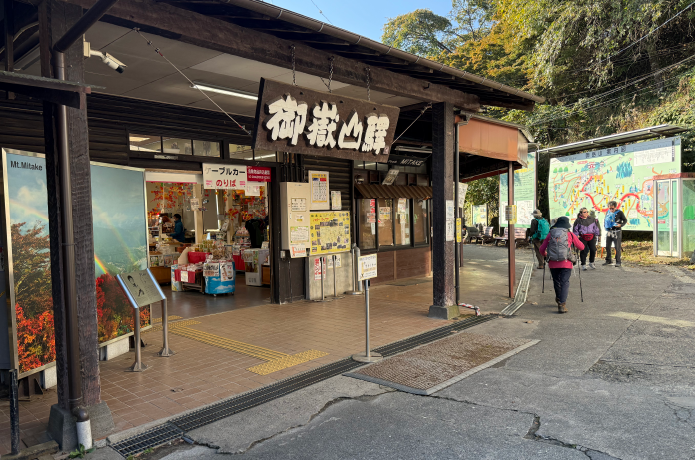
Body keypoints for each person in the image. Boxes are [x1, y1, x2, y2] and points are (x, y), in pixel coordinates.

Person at [540, 216, 585, 313]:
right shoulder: (570, 234)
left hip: (552, 262)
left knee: (556, 281)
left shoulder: (550, 234)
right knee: (565, 282)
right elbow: (581, 247)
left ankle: (558, 298)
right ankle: (562, 304)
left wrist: (545, 255)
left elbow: (541, 249)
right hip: (566, 262)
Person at [603, 201, 627, 267]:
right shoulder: (608, 212)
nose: (611, 210)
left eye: (612, 208)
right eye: (610, 208)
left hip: (617, 232)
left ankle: (618, 261)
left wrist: (621, 225)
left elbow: (625, 220)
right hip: (609, 231)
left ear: (615, 207)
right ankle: (608, 260)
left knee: (617, 247)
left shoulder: (620, 213)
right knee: (607, 246)